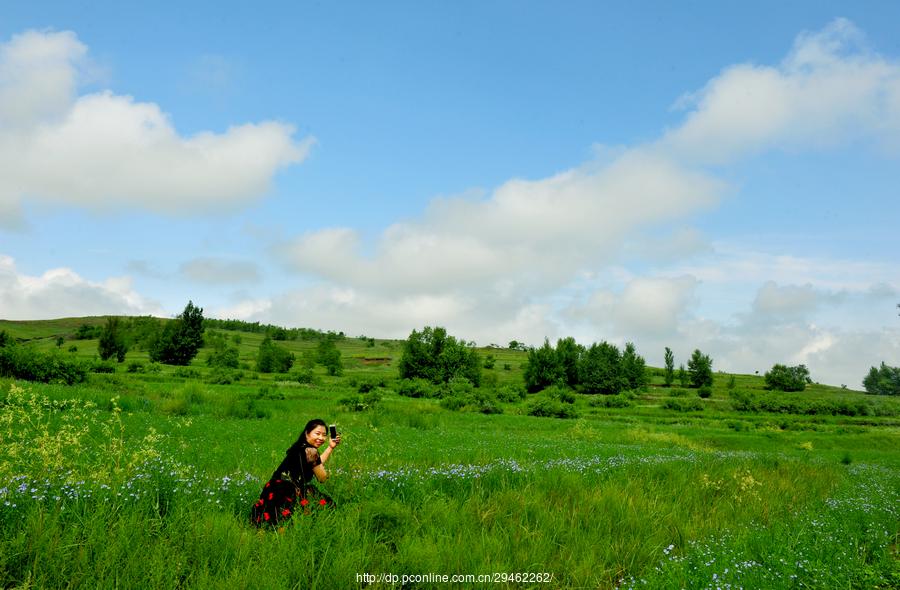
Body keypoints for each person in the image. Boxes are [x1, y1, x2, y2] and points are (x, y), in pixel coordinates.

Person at [250, 419, 341, 527]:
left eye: (324, 435)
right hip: (288, 491)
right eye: (317, 434)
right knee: (328, 506)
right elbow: (322, 478)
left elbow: (315, 463)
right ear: (307, 433)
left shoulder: (299, 447)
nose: (321, 438)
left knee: (273, 520)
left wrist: (330, 447)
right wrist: (326, 473)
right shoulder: (311, 451)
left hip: (273, 489)